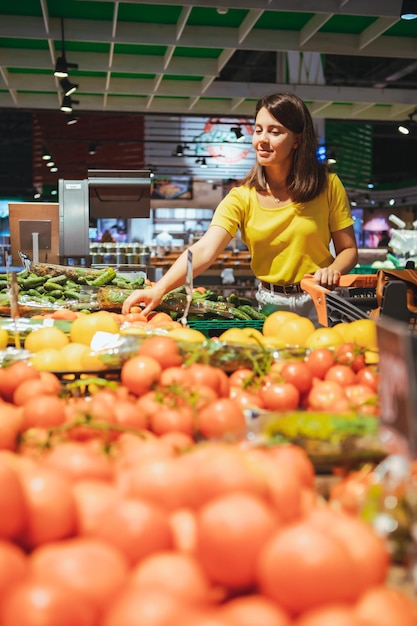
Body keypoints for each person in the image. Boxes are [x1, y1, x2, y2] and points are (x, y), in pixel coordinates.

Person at [122, 92, 358, 321]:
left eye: (274, 131)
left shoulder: (327, 185)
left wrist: (334, 269)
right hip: (270, 303)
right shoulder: (242, 197)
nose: (262, 139)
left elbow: (348, 250)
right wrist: (159, 289)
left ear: (297, 140)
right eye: (258, 130)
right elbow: (204, 249)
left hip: (320, 299)